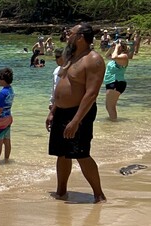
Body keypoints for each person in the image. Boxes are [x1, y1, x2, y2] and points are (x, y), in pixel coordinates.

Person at [46, 22, 106, 203]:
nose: (67, 35)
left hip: (80, 112)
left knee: (80, 153)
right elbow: (62, 84)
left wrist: (76, 120)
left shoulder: (93, 59)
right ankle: (61, 191)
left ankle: (98, 195)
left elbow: (91, 93)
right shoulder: (70, 56)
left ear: (80, 37)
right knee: (61, 153)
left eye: (70, 32)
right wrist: (53, 111)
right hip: (61, 111)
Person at [103, 40, 129, 121]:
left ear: (121, 47)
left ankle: (114, 123)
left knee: (110, 106)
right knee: (109, 106)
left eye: (117, 45)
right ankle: (113, 121)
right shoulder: (116, 57)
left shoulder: (124, 56)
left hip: (116, 82)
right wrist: (112, 48)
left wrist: (117, 47)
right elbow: (106, 56)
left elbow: (114, 57)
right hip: (111, 82)